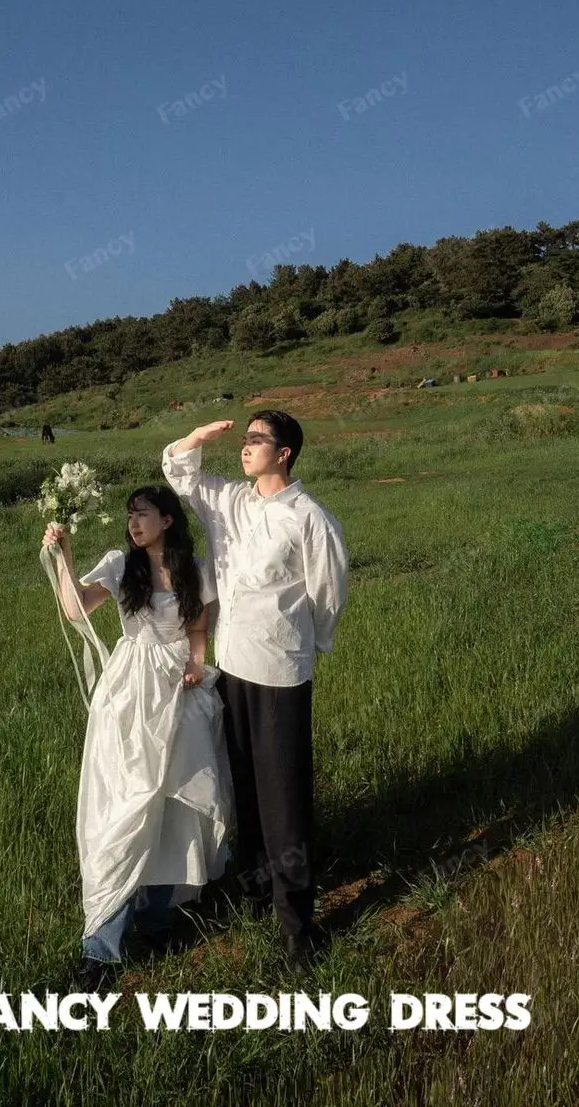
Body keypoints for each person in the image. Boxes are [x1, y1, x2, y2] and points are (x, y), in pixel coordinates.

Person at [161, 411, 349, 971]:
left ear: (285, 452)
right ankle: (256, 889)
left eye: (256, 440)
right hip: (232, 665)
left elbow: (328, 592)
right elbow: (181, 475)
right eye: (243, 439)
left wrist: (300, 641)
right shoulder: (233, 503)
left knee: (283, 796)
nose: (244, 448)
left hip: (280, 671)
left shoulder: (309, 517)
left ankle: (298, 924)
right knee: (242, 782)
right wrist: (195, 439)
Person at [40, 486, 233, 991]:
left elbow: (197, 631)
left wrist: (195, 665)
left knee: (177, 805)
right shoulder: (121, 566)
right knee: (123, 809)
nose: (133, 523)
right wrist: (63, 556)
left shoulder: (193, 567)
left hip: (178, 690)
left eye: (142, 513)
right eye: (129, 515)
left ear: (167, 520)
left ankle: (158, 919)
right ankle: (102, 946)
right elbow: (76, 610)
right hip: (129, 693)